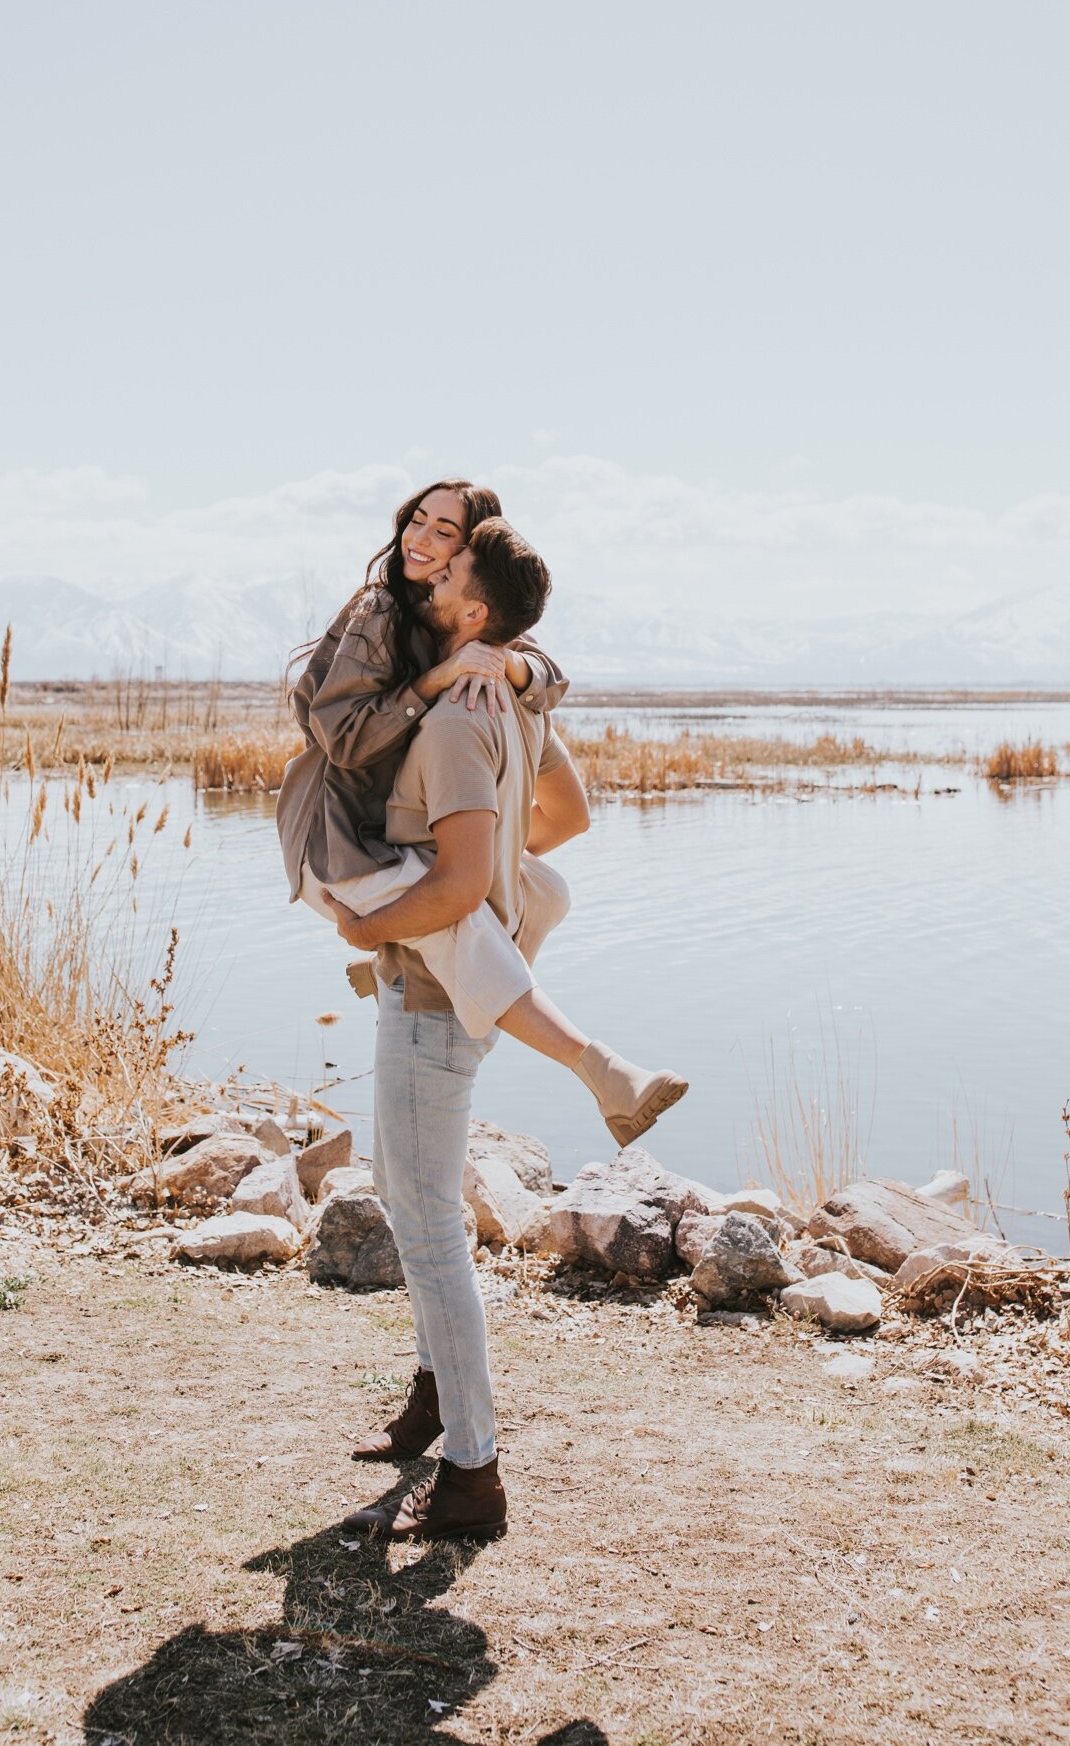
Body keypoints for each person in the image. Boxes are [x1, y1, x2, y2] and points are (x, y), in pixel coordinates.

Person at [335, 519, 677, 1543]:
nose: (427, 579)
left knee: (433, 1229)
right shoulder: (506, 703)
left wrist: (364, 920)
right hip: (452, 993)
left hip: (437, 1002)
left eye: (446, 576)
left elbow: (455, 887)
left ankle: (473, 1475)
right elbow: (562, 820)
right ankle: (437, 1400)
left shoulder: (454, 723)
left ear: (474, 612)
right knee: (405, 1197)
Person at [278, 481, 686, 1145]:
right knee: (465, 917)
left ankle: (407, 945)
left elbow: (536, 661)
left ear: (472, 558)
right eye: (419, 519)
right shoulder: (383, 611)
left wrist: (514, 671)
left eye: (446, 532)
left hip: (391, 838)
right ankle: (601, 1070)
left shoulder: (456, 624)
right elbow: (340, 737)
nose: (422, 539)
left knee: (545, 890)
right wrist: (431, 685)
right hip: (338, 835)